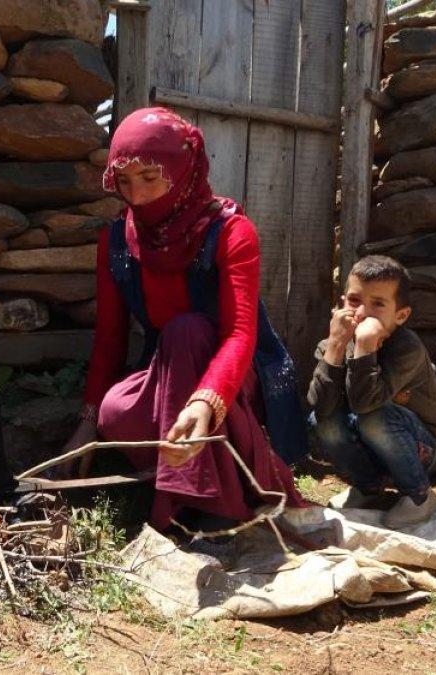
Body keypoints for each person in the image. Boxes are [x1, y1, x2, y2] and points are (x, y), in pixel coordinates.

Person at [58, 107, 308, 544]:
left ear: (184, 167)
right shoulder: (117, 241)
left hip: (236, 379)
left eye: (149, 178)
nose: (136, 196)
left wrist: (203, 404)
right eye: (125, 182)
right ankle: (203, 482)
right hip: (167, 368)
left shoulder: (231, 232)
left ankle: (206, 506)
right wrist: (87, 419)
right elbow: (110, 338)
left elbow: (239, 334)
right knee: (116, 410)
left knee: (187, 329)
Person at [307, 255, 436, 529]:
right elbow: (321, 408)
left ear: (401, 315)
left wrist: (365, 346)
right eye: (354, 300)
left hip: (422, 446)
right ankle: (368, 489)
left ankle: (419, 496)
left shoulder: (406, 348)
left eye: (378, 304)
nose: (362, 312)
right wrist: (336, 349)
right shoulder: (333, 343)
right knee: (322, 422)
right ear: (342, 302)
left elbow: (367, 405)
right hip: (372, 444)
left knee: (372, 416)